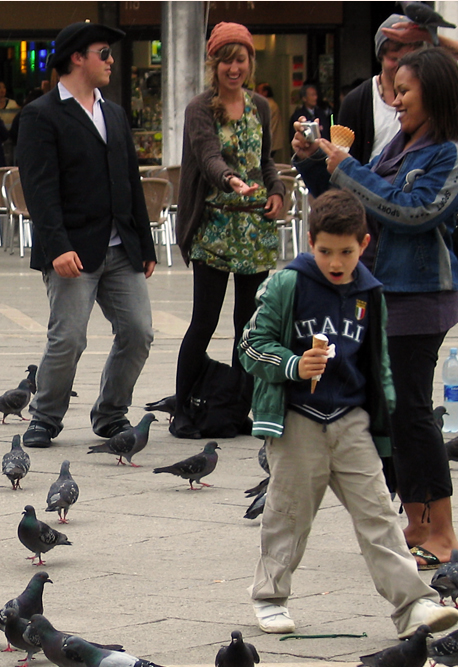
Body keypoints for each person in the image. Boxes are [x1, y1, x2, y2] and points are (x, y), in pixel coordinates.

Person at [238, 190, 458, 639]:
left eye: (346, 251)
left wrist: (385, 422)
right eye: (325, 251)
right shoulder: (287, 284)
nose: (336, 262)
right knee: (289, 513)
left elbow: (377, 365)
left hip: (352, 419)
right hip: (298, 417)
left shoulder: (370, 292)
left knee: (377, 512)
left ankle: (412, 605)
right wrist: (293, 364)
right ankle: (270, 596)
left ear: (364, 242)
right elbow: (250, 344)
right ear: (309, 239)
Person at [292, 47, 458, 569]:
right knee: (389, 414)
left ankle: (444, 533)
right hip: (382, 294)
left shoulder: (451, 155)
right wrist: (315, 160)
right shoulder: (403, 142)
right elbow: (357, 206)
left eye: (405, 91)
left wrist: (349, 169)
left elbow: (411, 212)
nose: (394, 101)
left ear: (433, 94)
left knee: (413, 412)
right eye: (393, 91)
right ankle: (414, 520)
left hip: (420, 297)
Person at [16, 21, 156, 448]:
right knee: (69, 338)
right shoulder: (41, 115)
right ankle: (45, 416)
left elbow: (130, 180)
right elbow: (39, 190)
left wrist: (145, 244)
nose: (112, 61)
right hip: (72, 250)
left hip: (121, 247)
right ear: (78, 57)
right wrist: (57, 245)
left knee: (138, 331)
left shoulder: (112, 111)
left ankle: (111, 413)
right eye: (104, 53)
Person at [171, 23, 284, 437]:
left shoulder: (259, 106)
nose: (233, 68)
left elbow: (267, 160)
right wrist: (231, 180)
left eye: (240, 60)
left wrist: (276, 192)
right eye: (225, 61)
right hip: (215, 227)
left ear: (249, 63)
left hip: (254, 228)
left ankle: (238, 407)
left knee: (247, 324)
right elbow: (207, 156)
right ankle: (183, 407)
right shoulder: (201, 108)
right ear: (213, 65)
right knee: (204, 320)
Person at [337, 14, 428, 165]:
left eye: (408, 59)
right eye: (394, 59)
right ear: (380, 57)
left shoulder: (430, 96)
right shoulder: (356, 101)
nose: (401, 67)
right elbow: (342, 164)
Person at [254, 83, 283, 160]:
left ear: (265, 92)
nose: (255, 93)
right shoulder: (272, 104)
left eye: (258, 91)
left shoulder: (267, 105)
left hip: (269, 140)